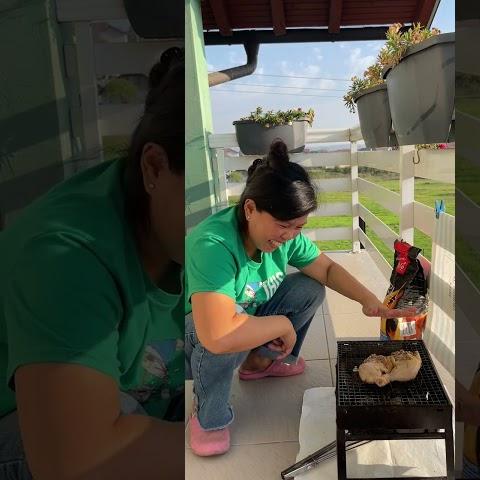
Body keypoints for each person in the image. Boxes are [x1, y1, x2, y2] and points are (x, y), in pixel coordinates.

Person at [0, 47, 185, 479]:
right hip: (32, 430)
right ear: (154, 167)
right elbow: (80, 459)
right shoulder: (65, 254)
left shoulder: (177, 231)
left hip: (130, 392)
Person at [185, 139, 416, 456]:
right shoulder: (213, 245)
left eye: (299, 227)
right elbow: (218, 334)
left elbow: (327, 270)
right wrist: (281, 324)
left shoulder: (283, 237)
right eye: (284, 226)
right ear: (250, 209)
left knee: (308, 289)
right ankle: (209, 417)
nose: (290, 236)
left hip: (244, 311)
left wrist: (368, 300)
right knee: (226, 338)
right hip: (197, 328)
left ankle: (258, 363)